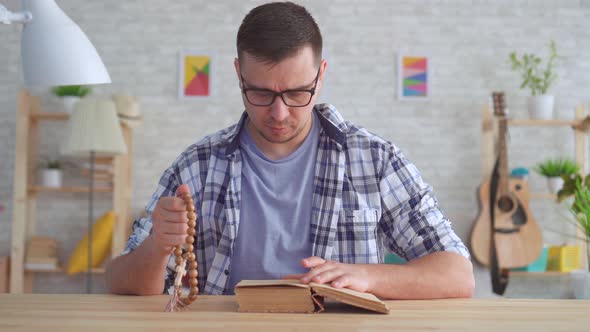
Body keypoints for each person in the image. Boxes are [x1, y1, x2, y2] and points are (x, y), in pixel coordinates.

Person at [106, 1, 474, 300]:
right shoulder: (198, 166)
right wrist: (158, 246)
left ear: (321, 74)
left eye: (298, 93)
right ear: (239, 75)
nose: (279, 113)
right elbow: (118, 279)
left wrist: (367, 276)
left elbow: (458, 274)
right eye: (261, 93)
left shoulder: (375, 161)